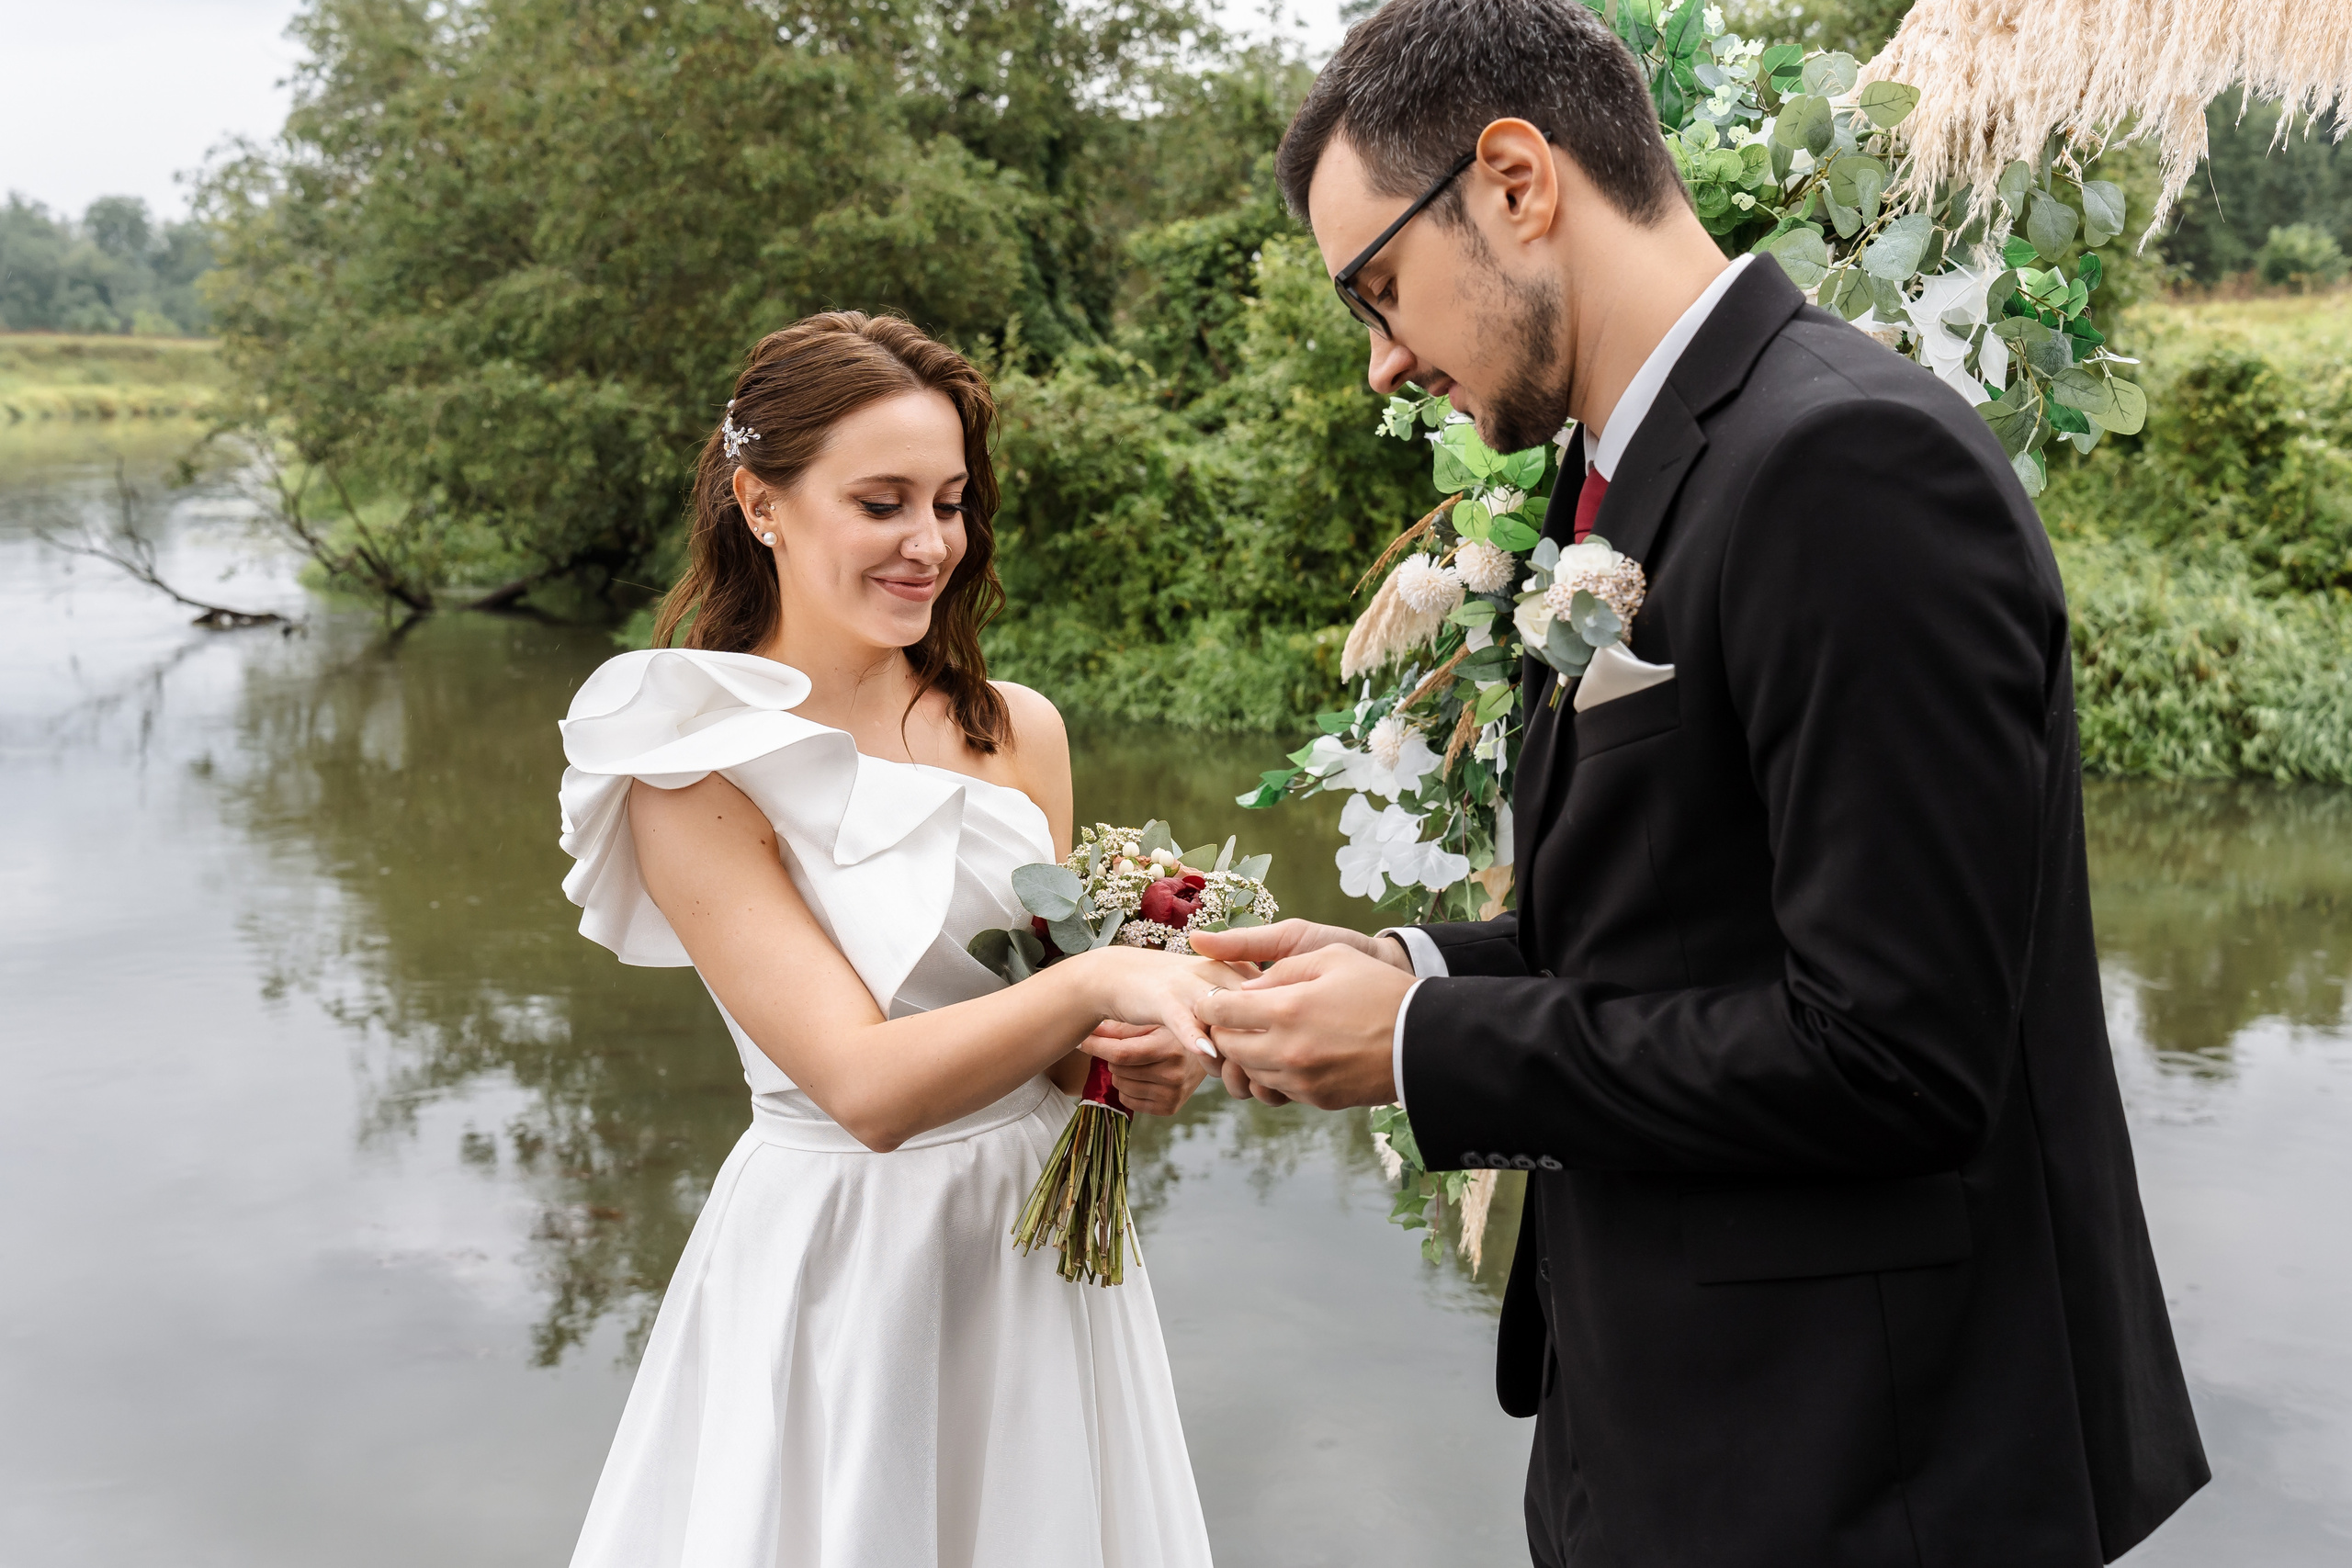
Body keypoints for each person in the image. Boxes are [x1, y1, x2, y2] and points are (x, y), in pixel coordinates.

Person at [1141, 1, 2211, 1562]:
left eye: (1378, 290)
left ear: (1515, 180)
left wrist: (1433, 1045)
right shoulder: (1623, 476)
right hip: (1671, 1447)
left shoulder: (1846, 464)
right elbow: (1678, 938)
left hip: (1859, 1474)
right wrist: (1403, 968)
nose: (1381, 363)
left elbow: (1896, 1058)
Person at [555, 311, 1222, 1567]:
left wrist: (1131, 1065)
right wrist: (1101, 977)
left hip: (1039, 1251)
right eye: (882, 503)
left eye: (952, 501)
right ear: (763, 504)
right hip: (851, 1261)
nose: (931, 545)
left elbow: (1058, 1033)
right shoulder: (691, 770)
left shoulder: (1020, 729)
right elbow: (863, 1087)